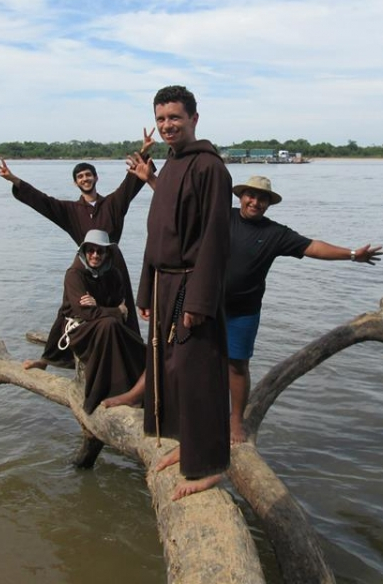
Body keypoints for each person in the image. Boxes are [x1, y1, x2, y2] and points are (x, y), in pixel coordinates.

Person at [224, 175, 383, 442]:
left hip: (244, 311)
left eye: (262, 198)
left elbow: (313, 247)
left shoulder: (274, 233)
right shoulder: (221, 217)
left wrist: (352, 255)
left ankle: (236, 420)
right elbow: (183, 207)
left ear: (268, 204)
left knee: (238, 366)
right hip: (206, 307)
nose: (255, 202)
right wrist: (152, 181)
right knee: (197, 360)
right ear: (241, 197)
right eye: (251, 195)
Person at [135, 85, 232, 500]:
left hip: (192, 285)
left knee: (198, 375)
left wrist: (198, 301)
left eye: (174, 117)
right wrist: (145, 290)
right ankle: (186, 445)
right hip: (163, 284)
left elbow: (215, 239)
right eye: (161, 119)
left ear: (194, 118)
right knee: (170, 370)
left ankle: (210, 465)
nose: (167, 125)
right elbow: (157, 232)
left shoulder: (211, 168)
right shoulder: (172, 164)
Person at [0, 134, 154, 365]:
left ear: (96, 177)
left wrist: (143, 151)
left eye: (88, 174)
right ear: (75, 183)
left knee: (122, 306)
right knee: (69, 308)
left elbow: (130, 184)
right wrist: (14, 179)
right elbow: (43, 201)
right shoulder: (70, 210)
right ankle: (49, 359)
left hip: (113, 263)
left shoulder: (113, 203)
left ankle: (131, 357)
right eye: (80, 177)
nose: (85, 179)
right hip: (84, 262)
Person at [23, 230, 146, 413]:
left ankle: (134, 388)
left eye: (100, 251)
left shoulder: (114, 275)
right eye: (91, 250)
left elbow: (121, 311)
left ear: (107, 253)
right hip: (78, 329)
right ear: (84, 251)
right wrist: (114, 310)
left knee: (129, 339)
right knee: (109, 325)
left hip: (101, 326)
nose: (95, 255)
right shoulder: (74, 275)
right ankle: (114, 391)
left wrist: (101, 307)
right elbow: (87, 312)